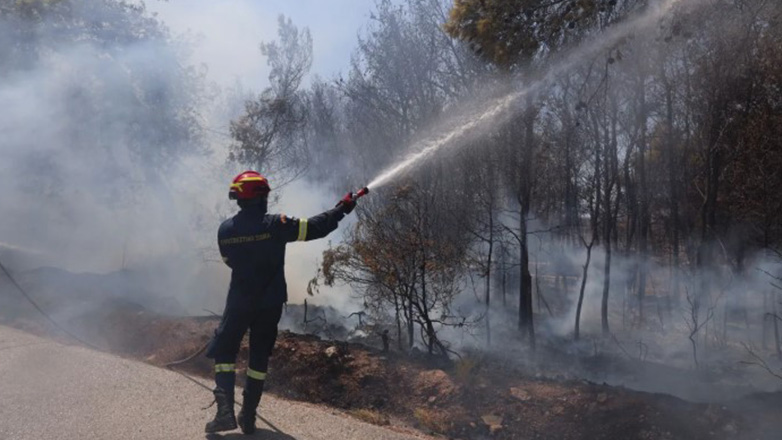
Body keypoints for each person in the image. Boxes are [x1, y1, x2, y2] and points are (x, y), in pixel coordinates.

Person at [205, 170, 357, 434]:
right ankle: (248, 416)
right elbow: (315, 228)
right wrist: (342, 208)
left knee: (224, 351)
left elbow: (229, 262)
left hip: (239, 302)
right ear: (262, 197)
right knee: (259, 358)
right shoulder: (277, 225)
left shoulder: (225, 230)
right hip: (270, 303)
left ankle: (224, 412)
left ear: (238, 198)